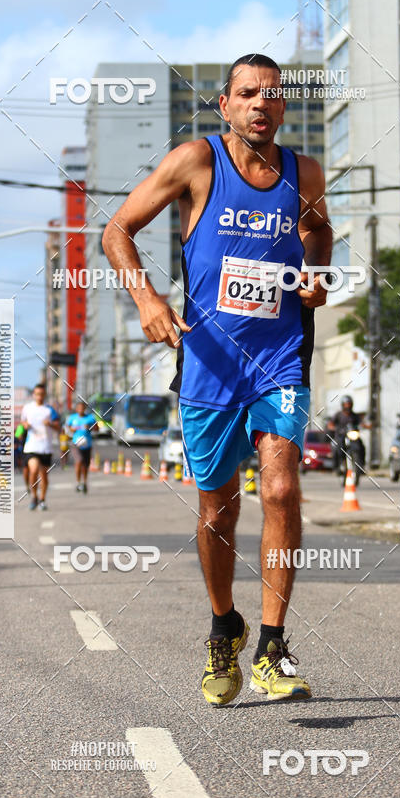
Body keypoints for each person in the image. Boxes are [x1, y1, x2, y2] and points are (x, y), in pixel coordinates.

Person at [103, 54, 332, 706]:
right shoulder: (196, 162)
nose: (261, 103)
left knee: (282, 489)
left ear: (283, 108)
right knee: (217, 511)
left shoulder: (302, 173)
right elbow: (117, 230)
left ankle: (271, 645)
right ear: (225, 105)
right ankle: (221, 625)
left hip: (280, 357)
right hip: (207, 364)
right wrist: (146, 299)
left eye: (272, 94)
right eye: (247, 93)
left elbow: (320, 231)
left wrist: (316, 273)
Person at [20, 383, 60, 511]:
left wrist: (50, 424)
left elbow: (59, 428)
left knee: (44, 475)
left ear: (45, 395)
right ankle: (34, 496)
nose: (39, 396)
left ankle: (42, 499)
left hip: (45, 447)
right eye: (37, 394)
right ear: (33, 395)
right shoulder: (27, 408)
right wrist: (25, 425)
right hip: (31, 446)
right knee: (34, 470)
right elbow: (23, 421)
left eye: (42, 394)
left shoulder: (50, 410)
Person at [65, 400, 97, 493]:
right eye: (79, 408)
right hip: (76, 444)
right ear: (76, 409)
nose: (80, 409)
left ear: (85, 408)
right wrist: (71, 429)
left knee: (86, 465)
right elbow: (66, 428)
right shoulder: (72, 418)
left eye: (82, 408)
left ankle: (84, 482)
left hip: (87, 444)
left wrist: (90, 427)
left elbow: (97, 428)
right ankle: (78, 482)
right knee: (79, 461)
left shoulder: (90, 418)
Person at [328, 395, 365, 473]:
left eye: (349, 404)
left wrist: (365, 425)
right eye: (346, 404)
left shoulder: (354, 415)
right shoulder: (338, 415)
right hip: (341, 436)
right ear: (342, 405)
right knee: (338, 447)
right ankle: (339, 464)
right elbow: (330, 424)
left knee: (361, 446)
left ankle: (361, 465)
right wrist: (334, 428)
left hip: (352, 436)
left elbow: (361, 423)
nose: (347, 406)